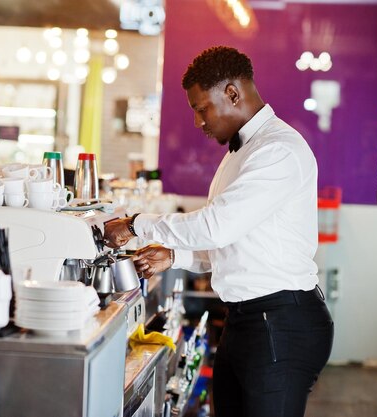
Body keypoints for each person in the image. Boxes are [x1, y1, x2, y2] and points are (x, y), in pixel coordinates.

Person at [103, 46, 334, 417]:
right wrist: (175, 256)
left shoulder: (278, 150)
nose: (198, 122)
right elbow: (232, 241)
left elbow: (216, 226)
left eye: (201, 108)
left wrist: (135, 224)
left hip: (281, 324)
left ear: (232, 93)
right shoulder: (240, 154)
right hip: (247, 321)